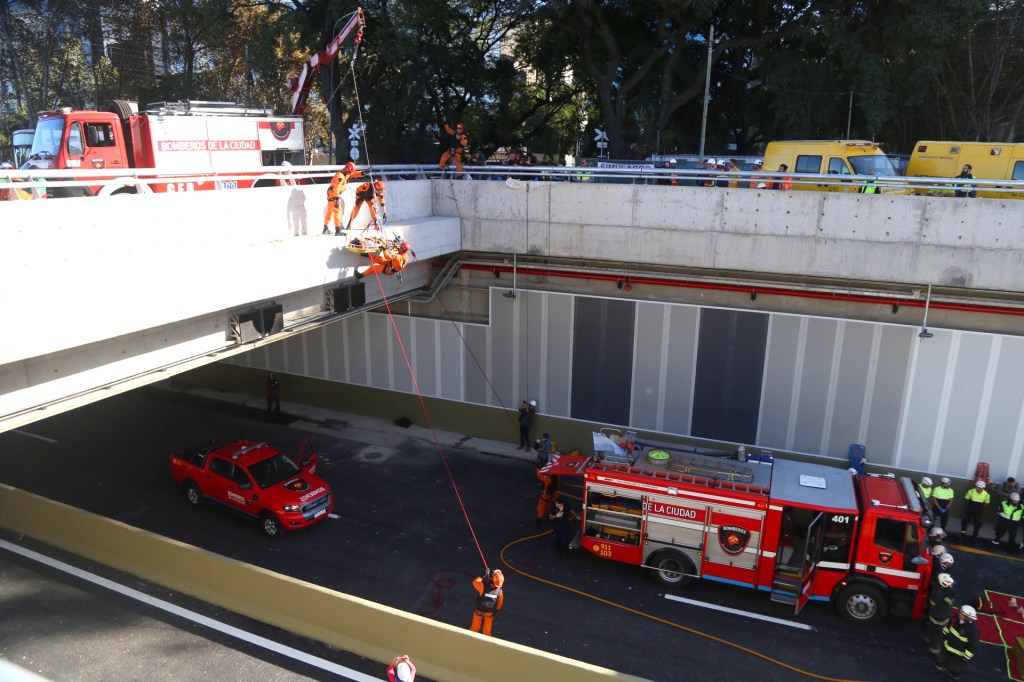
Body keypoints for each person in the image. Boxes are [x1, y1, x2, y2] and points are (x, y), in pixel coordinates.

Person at [934, 604, 978, 680]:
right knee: (941, 658)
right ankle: (939, 668)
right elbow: (947, 627)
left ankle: (954, 677)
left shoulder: (972, 631)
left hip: (959, 654)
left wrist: (966, 657)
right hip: (948, 647)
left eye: (962, 613)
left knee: (956, 667)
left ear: (967, 618)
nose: (959, 613)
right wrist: (944, 637)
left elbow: (972, 645)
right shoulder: (955, 619)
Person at [323, 162, 362, 235]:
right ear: (347, 169)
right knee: (338, 211)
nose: (350, 173)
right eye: (350, 171)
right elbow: (336, 187)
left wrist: (362, 173)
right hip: (334, 194)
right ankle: (337, 230)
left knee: (330, 210)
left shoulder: (345, 173)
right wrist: (337, 198)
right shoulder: (340, 176)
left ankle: (325, 228)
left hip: (331, 193)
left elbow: (353, 174)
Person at [926, 573, 956, 655]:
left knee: (931, 628)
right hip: (940, 617)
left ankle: (928, 638)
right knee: (938, 634)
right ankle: (934, 649)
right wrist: (951, 594)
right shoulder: (941, 594)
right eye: (950, 584)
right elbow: (947, 602)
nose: (952, 585)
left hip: (934, 614)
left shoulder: (937, 589)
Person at [470, 569, 504, 636]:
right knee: (487, 631)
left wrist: (482, 575)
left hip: (479, 609)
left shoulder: (483, 586)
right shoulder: (500, 591)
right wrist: (496, 611)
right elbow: (500, 603)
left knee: (474, 629)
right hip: (490, 612)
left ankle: (470, 639)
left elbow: (475, 582)